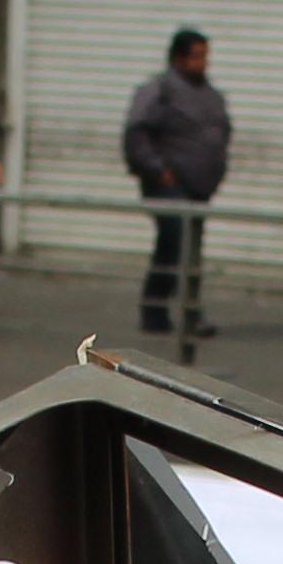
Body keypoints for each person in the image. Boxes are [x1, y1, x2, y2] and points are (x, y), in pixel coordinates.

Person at [121, 26, 229, 340]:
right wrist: (157, 169)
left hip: (198, 186)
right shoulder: (159, 90)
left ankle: (154, 310)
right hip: (168, 182)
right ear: (179, 58)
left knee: (175, 247)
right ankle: (190, 314)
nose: (203, 62)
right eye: (197, 56)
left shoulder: (207, 93)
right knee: (178, 241)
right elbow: (136, 133)